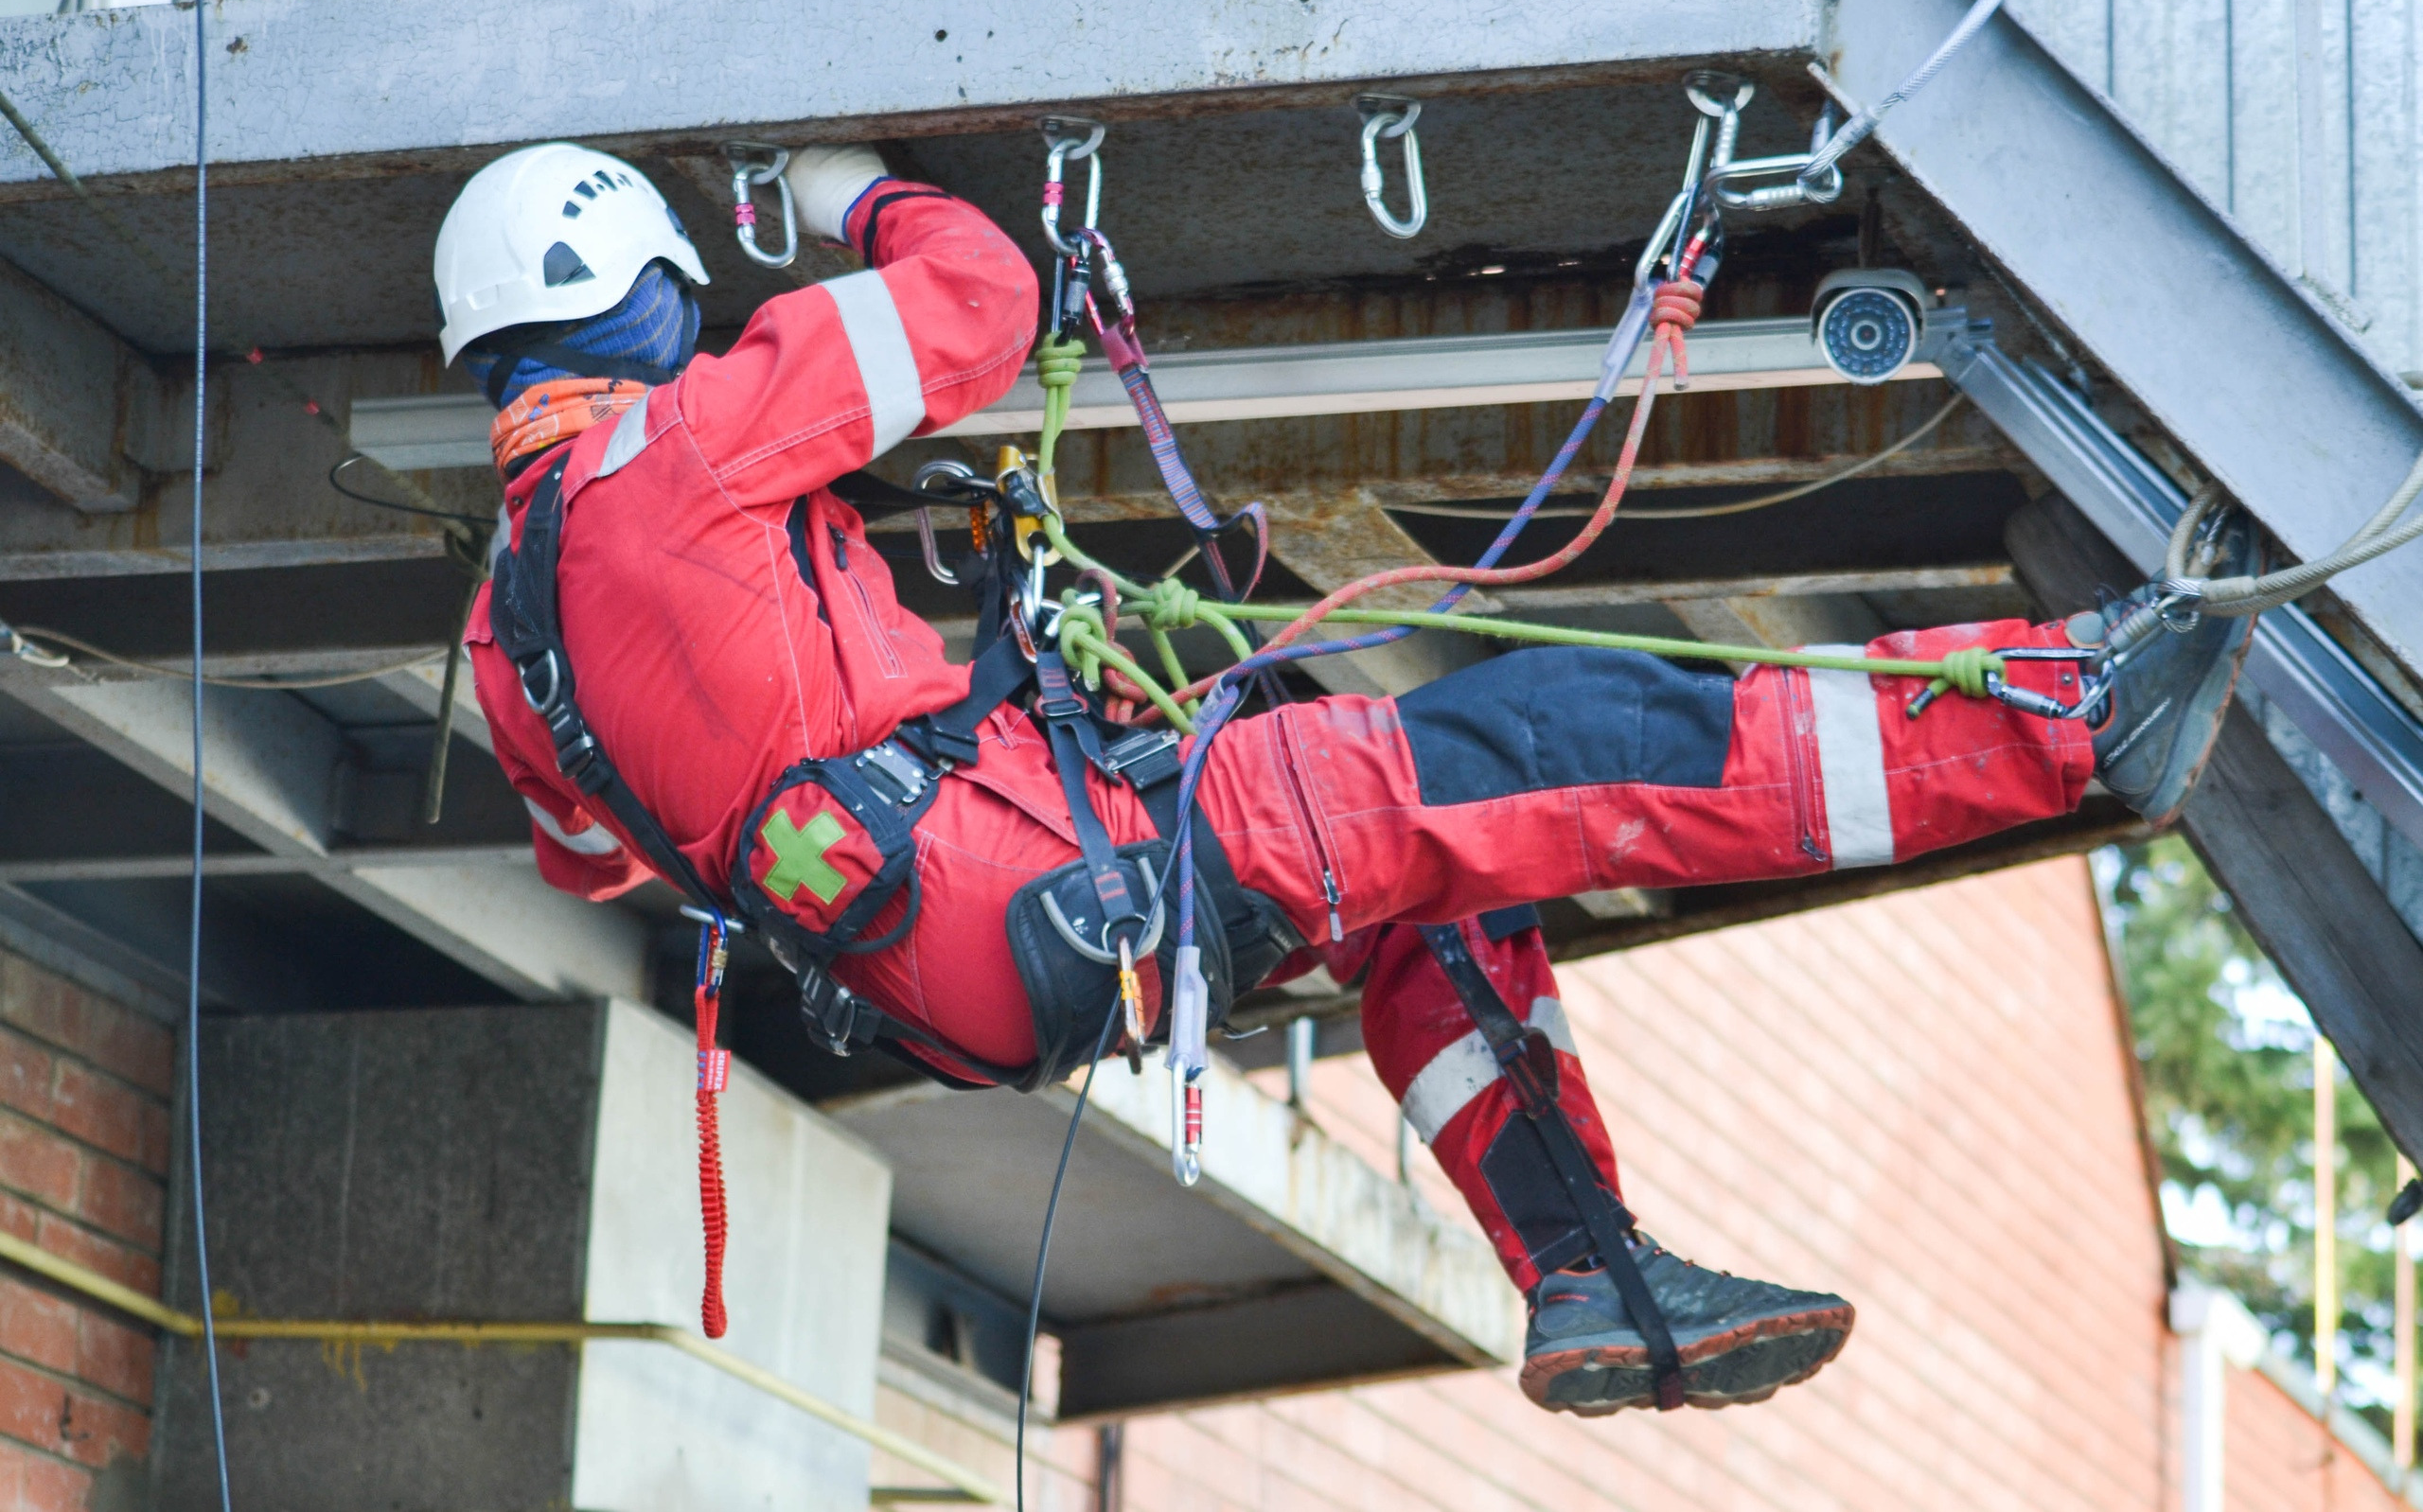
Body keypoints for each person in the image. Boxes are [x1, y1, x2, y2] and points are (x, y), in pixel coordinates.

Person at [443, 141, 2254, 1415]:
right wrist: (853, 193)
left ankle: (1592, 1277)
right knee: (1560, 748)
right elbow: (979, 298)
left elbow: (589, 863)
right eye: (680, 291)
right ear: (637, 296)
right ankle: (2071, 717)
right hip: (1074, 877)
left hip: (988, 962)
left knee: (1429, 894)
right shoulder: (681, 446)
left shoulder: (503, 639)